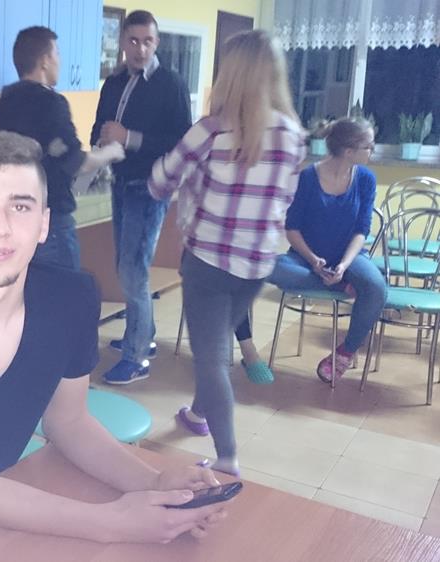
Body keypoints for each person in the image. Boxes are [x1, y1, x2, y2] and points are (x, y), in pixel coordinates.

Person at [0, 131, 226, 550]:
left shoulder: (71, 299)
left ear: (44, 224)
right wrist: (112, 522)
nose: (0, 228)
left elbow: (68, 422)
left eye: (20, 206)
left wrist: (155, 483)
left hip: (7, 511)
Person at [148, 30, 307, 477]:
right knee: (215, 348)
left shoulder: (210, 131)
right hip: (258, 264)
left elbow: (160, 182)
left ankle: (227, 457)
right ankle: (199, 413)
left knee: (212, 358)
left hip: (210, 263)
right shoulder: (294, 135)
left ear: (230, 74)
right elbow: (285, 198)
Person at [91, 10, 192, 384]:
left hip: (150, 188)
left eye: (147, 41)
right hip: (119, 182)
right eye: (133, 40)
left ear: (157, 42)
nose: (140, 49)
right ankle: (142, 335)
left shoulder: (170, 84)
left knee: (133, 271)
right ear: (122, 42)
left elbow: (182, 142)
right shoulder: (113, 83)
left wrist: (128, 138)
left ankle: (136, 358)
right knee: (126, 266)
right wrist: (101, 142)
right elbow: (100, 127)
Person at [0, 26, 124, 270]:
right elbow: (76, 163)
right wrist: (111, 152)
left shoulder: (4, 103)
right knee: (64, 289)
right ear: (45, 61)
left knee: (25, 287)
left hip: (13, 216)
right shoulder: (51, 103)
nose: (60, 61)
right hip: (49, 221)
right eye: (58, 53)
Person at [267, 117, 386, 382]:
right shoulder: (307, 177)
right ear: (349, 151)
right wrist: (313, 260)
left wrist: (343, 265)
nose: (373, 151)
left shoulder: (365, 179)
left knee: (376, 287)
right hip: (305, 259)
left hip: (349, 257)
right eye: (369, 146)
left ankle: (345, 352)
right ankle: (340, 285)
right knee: (268, 266)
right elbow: (292, 228)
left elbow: (361, 231)